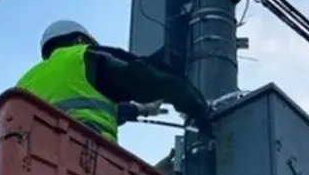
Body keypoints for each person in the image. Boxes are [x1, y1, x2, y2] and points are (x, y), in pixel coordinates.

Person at [16, 19, 210, 143]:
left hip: (34, 169)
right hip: (84, 156)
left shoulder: (25, 81)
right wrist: (200, 109)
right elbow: (147, 78)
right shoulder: (84, 57)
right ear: (78, 40)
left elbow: (79, 108)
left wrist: (142, 110)